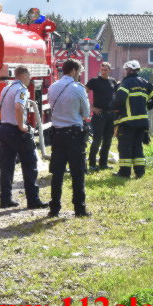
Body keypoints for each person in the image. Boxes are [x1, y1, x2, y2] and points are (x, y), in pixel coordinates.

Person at [0, 66, 49, 210]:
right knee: (30, 164)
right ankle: (33, 201)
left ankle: (5, 200)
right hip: (15, 131)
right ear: (24, 75)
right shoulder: (21, 89)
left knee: (7, 166)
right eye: (29, 75)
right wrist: (21, 126)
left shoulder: (6, 89)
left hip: (4, 129)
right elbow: (19, 108)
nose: (30, 78)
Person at [47, 58, 91, 217]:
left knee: (57, 174)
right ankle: (79, 209)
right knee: (77, 173)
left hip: (57, 135)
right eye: (78, 72)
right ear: (73, 71)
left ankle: (54, 208)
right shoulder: (78, 88)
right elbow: (86, 114)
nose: (79, 75)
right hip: (74, 135)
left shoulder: (52, 87)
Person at [110, 60, 153, 179]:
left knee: (124, 146)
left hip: (128, 121)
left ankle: (124, 172)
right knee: (137, 146)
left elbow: (120, 98)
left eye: (126, 69)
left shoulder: (126, 83)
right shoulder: (144, 82)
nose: (125, 72)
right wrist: (145, 107)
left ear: (129, 70)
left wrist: (114, 107)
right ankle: (140, 172)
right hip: (142, 121)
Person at [85, 62, 118, 172]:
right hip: (99, 115)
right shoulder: (94, 81)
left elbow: (118, 96)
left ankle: (103, 163)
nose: (103, 72)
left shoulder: (113, 82)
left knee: (108, 140)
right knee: (97, 140)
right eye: (102, 70)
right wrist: (92, 108)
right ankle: (92, 164)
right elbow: (83, 93)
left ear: (109, 70)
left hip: (110, 115)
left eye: (105, 70)